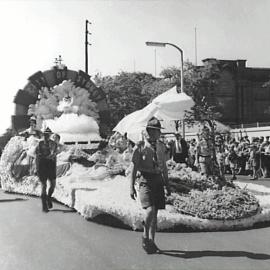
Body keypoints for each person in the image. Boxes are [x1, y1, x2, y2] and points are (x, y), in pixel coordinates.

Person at [130, 117, 171, 254]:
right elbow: (134, 168)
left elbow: (164, 166)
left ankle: (152, 242)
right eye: (154, 131)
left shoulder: (161, 146)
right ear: (148, 131)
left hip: (158, 180)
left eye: (158, 131)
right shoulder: (140, 146)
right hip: (145, 180)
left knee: (155, 214)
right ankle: (144, 236)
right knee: (150, 210)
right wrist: (131, 187)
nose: (156, 133)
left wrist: (167, 183)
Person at [35, 127, 58, 212]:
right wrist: (36, 168)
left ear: (50, 135)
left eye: (48, 134)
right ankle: (44, 206)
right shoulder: (40, 144)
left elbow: (54, 154)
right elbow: (37, 156)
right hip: (42, 166)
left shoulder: (54, 144)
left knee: (53, 185)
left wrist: (52, 157)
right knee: (44, 186)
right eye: (45, 134)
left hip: (51, 166)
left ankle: (49, 198)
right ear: (43, 135)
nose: (46, 136)